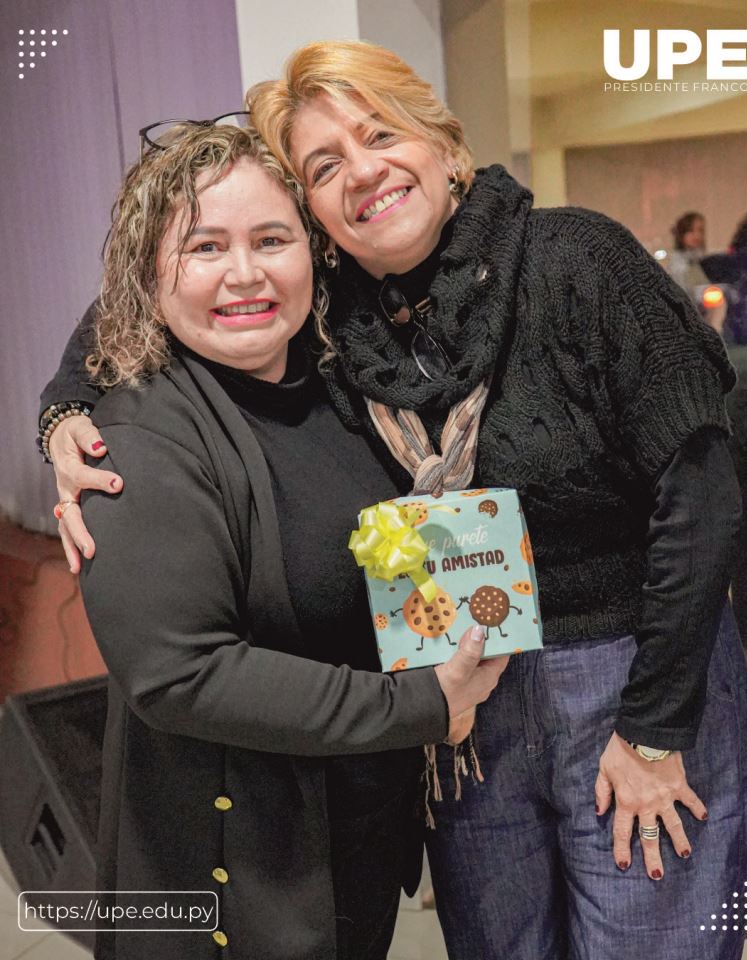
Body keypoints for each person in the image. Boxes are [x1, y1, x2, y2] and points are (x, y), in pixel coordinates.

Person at [40, 42, 747, 960]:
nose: (364, 171)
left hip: (628, 680)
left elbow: (702, 505)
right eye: (325, 166)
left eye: (380, 134)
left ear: (444, 144)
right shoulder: (341, 308)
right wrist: (64, 415)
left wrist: (656, 732)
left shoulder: (574, 259)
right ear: (318, 215)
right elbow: (150, 287)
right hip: (466, 707)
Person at [39, 121, 508, 960]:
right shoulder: (136, 440)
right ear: (149, 276)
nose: (245, 273)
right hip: (232, 886)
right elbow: (181, 674)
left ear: (315, 256)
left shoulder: (344, 383)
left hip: (348, 853)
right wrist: (428, 705)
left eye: (271, 239)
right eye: (205, 246)